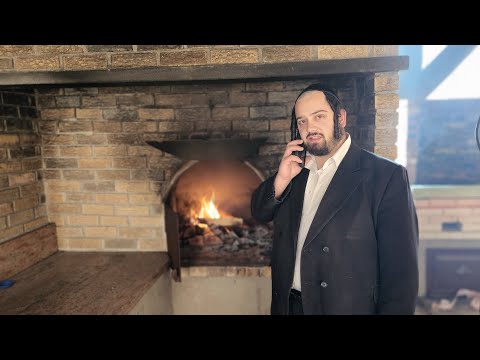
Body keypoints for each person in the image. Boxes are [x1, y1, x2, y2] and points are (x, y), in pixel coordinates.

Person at [251, 83, 419, 315]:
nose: (310, 127)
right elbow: (259, 211)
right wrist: (281, 178)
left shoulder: (385, 176)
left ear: (340, 118)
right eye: (302, 121)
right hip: (289, 307)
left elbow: (401, 274)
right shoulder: (294, 172)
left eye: (319, 116)